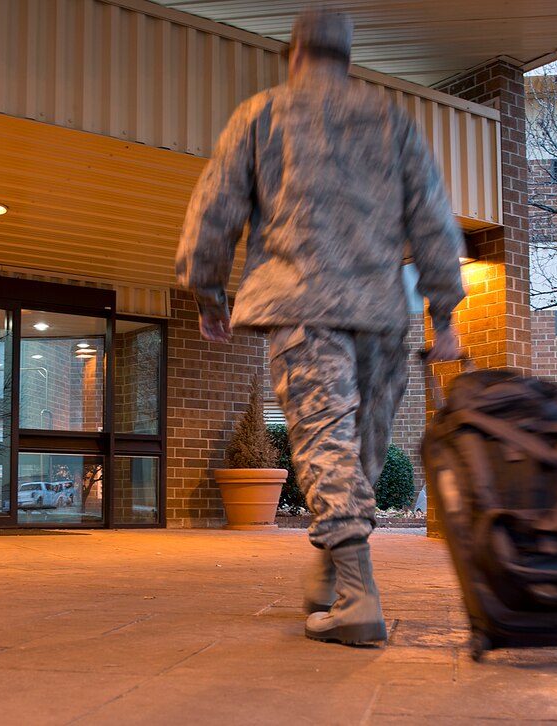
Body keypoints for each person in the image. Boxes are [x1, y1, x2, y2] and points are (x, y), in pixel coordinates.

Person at [175, 8, 466, 645]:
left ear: (294, 54)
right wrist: (442, 313)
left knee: (325, 444)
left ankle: (359, 601)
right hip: (383, 314)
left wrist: (207, 293)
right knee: (361, 449)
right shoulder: (392, 120)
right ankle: (328, 579)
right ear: (347, 58)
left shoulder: (262, 114)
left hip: (304, 307)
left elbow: (214, 209)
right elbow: (435, 221)